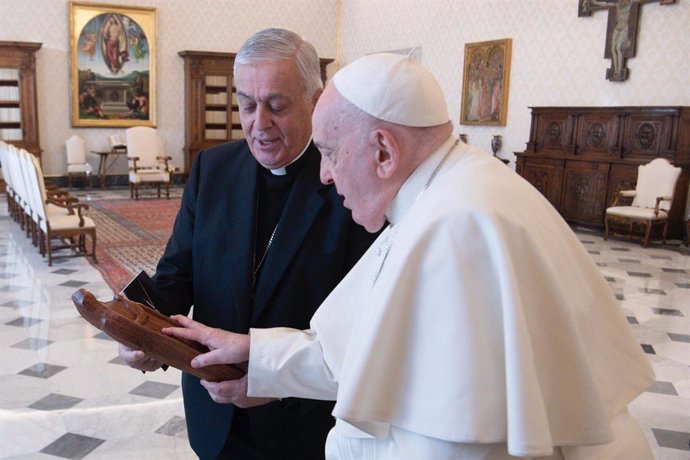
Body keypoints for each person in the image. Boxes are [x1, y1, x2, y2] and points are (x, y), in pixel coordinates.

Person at [164, 52, 656, 459]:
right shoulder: (447, 191)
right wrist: (262, 358)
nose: (325, 175)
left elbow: (452, 439)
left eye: (332, 153)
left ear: (383, 150)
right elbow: (365, 347)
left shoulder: (456, 228)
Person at [118, 28, 377, 459]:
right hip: (214, 410)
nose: (260, 123)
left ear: (316, 102)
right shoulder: (212, 170)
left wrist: (275, 382)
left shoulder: (349, 182)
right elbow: (178, 274)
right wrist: (143, 331)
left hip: (303, 422)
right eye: (247, 104)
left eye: (277, 106)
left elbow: (364, 320)